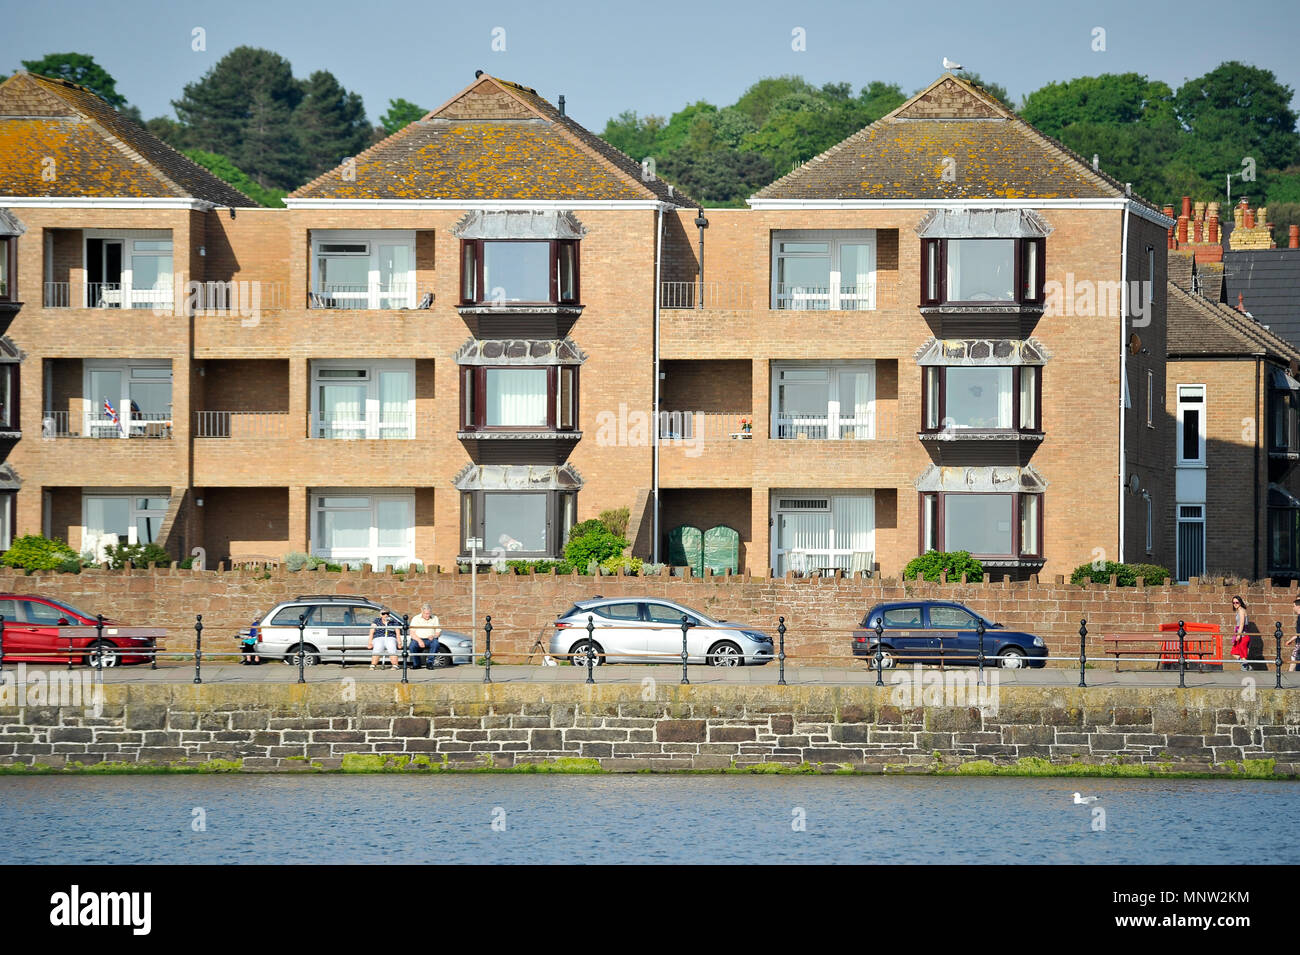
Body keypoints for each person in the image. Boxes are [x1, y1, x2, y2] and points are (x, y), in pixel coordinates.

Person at [407, 603, 442, 669]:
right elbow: (412, 633)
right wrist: (419, 640)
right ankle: (416, 664)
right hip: (418, 639)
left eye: (429, 613)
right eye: (426, 614)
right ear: (422, 612)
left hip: (430, 639)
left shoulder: (435, 618)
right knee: (412, 646)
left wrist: (434, 636)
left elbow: (438, 631)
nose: (427, 615)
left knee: (436, 644)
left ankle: (429, 663)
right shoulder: (416, 618)